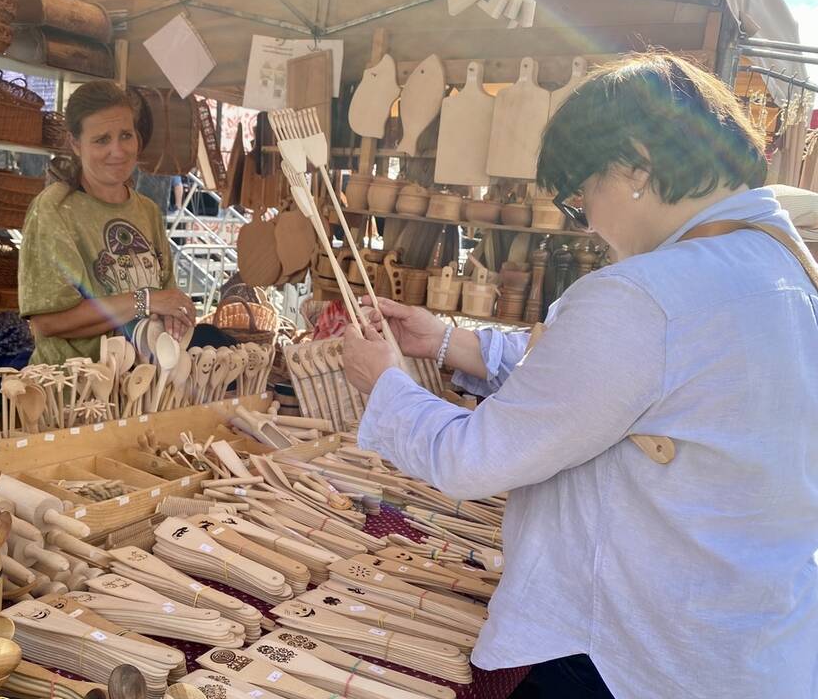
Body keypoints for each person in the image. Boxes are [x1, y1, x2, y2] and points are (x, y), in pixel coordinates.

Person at [342, 53, 818, 698]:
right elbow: (608, 386)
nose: (588, 223)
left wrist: (386, 386)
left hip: (632, 657)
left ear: (635, 164)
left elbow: (475, 458)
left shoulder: (648, 294)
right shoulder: (784, 267)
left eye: (580, 194)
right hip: (750, 645)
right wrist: (448, 341)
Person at [19, 80, 194, 365]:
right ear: (76, 144)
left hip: (141, 384)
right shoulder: (55, 209)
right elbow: (47, 322)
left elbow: (164, 298)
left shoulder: (147, 211)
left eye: (126, 135)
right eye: (102, 140)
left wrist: (175, 313)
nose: (118, 150)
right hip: (71, 387)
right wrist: (144, 301)